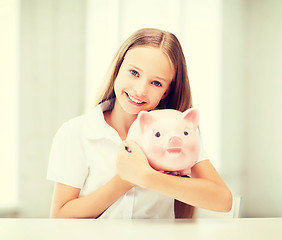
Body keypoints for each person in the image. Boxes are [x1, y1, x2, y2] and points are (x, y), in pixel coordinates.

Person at [47, 28, 232, 219]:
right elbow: (60, 216)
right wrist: (123, 180)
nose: (140, 90)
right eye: (134, 73)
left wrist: (148, 177)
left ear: (166, 92)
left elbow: (222, 200)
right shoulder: (76, 133)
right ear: (118, 68)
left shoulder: (178, 133)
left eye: (156, 83)